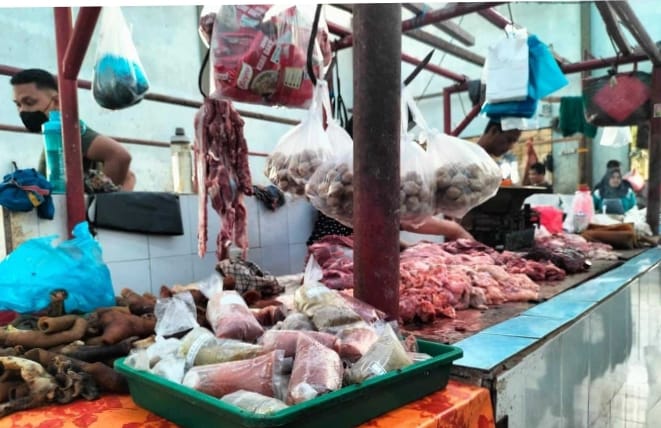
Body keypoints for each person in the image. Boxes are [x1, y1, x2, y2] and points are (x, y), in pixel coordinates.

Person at [10, 68, 136, 190]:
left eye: (29, 102)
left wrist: (101, 201)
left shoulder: (68, 130)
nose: (22, 110)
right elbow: (129, 176)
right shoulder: (54, 135)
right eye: (18, 104)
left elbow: (120, 156)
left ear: (57, 101)